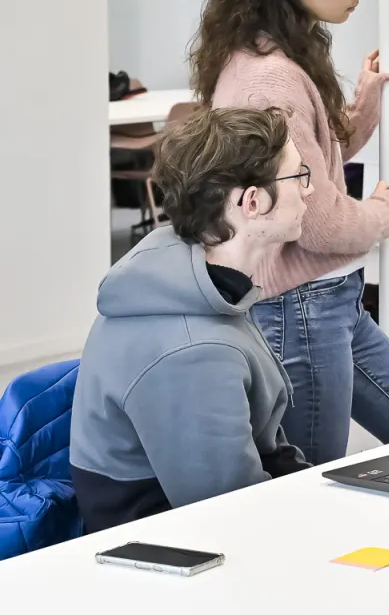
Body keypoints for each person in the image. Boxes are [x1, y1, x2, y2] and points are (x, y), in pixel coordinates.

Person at [191, 0, 389, 464]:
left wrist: (363, 106)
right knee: (310, 485)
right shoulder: (270, 80)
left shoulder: (275, 55)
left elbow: (312, 167)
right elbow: (319, 223)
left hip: (329, 302)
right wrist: (386, 215)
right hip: (299, 309)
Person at [70, 108, 313, 532]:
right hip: (179, 554)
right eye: (298, 177)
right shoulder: (192, 352)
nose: (309, 191)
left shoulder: (196, 278)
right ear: (252, 202)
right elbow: (228, 518)